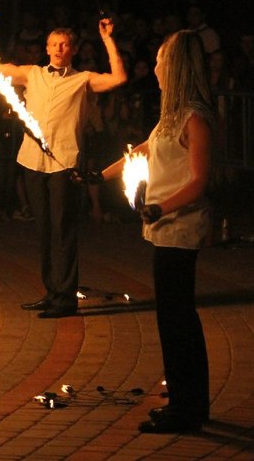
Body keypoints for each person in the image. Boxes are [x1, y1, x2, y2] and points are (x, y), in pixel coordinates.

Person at [87, 30, 213, 433]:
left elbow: (199, 181)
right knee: (171, 318)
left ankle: (189, 409)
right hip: (165, 228)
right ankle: (183, 401)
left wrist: (160, 207)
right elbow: (144, 149)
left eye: (160, 61)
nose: (155, 67)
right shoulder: (172, 116)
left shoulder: (195, 117)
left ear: (175, 67)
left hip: (181, 230)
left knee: (178, 320)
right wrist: (99, 175)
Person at [0, 4, 126, 318]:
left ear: (73, 50)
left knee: (63, 230)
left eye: (65, 45)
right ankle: (51, 292)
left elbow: (118, 78)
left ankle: (66, 299)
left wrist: (107, 39)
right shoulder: (31, 74)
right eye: (54, 44)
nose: (59, 49)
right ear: (47, 48)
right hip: (32, 161)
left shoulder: (82, 79)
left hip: (65, 162)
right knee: (45, 230)